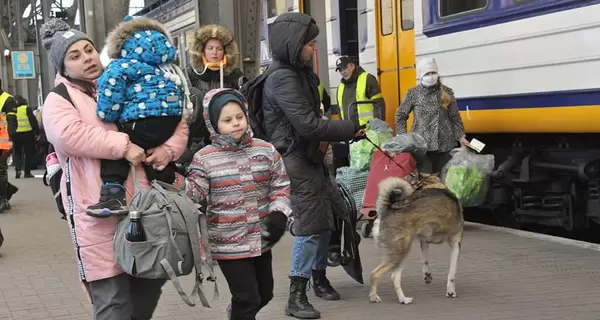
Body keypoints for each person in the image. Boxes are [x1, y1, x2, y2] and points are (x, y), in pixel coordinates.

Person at [40, 18, 189, 319]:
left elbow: (172, 115)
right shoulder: (59, 99)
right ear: (63, 67)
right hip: (98, 212)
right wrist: (123, 146)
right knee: (113, 301)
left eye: (89, 50)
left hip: (145, 206)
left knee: (151, 283)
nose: (87, 58)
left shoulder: (124, 78)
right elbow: (70, 136)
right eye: (75, 55)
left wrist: (167, 149)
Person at [260, 12, 366, 319]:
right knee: (309, 226)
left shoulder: (300, 72)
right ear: (293, 45)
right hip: (293, 159)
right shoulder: (282, 78)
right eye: (309, 44)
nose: (314, 49)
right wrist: (348, 129)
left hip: (309, 157)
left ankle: (318, 278)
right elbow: (307, 125)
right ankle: (296, 295)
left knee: (329, 217)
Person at [175, 88, 291, 320]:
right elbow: (195, 193)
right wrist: (175, 177)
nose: (236, 124)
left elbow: (280, 185)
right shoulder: (205, 158)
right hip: (227, 243)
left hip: (261, 239)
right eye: (227, 120)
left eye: (239, 117)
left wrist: (279, 214)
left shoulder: (265, 151)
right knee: (247, 299)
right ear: (214, 124)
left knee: (264, 294)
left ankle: (236, 313)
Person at [87, 16, 191, 217]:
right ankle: (173, 183)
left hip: (141, 120)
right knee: (154, 156)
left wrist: (107, 113)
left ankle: (112, 194)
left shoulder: (123, 64)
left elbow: (111, 89)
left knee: (118, 148)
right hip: (169, 123)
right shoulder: (167, 67)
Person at [395, 57, 468, 174]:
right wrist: (402, 137)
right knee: (426, 181)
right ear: (421, 76)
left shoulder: (447, 92)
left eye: (433, 72)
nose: (430, 76)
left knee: (444, 181)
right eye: (427, 73)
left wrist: (461, 137)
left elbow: (454, 117)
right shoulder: (413, 93)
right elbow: (400, 115)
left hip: (445, 145)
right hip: (422, 147)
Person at [184, 24, 245, 159]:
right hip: (197, 140)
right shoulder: (189, 74)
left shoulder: (235, 75)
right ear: (202, 51)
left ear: (226, 51)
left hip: (228, 138)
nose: (214, 53)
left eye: (219, 49)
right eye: (210, 48)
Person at [332, 56, 385, 173]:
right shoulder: (340, 87)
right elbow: (340, 112)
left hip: (367, 132)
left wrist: (377, 128)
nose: (343, 72)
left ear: (352, 65)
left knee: (369, 165)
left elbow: (379, 104)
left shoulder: (367, 79)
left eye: (345, 68)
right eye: (340, 70)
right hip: (350, 133)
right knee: (356, 165)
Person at [9, 95, 40, 179]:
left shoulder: (12, 110)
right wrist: (37, 132)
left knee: (17, 153)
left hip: (16, 134)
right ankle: (27, 172)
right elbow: (33, 121)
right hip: (27, 134)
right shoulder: (26, 109)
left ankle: (18, 171)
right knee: (28, 153)